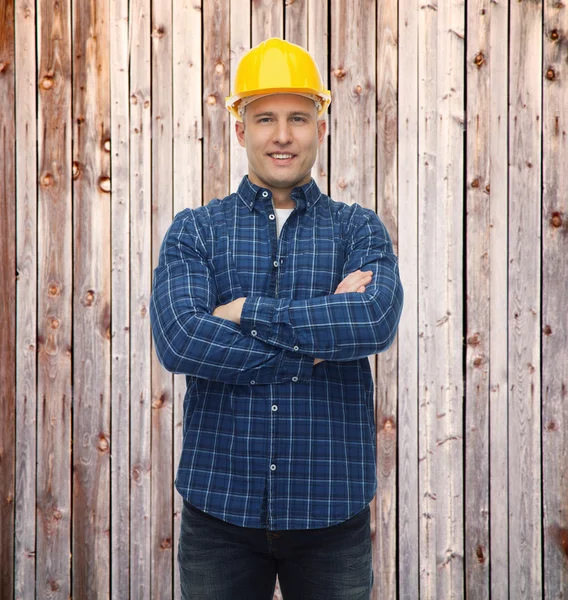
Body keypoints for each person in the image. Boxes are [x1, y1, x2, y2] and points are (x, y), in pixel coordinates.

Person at [150, 37, 403, 600]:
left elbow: (374, 321)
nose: (282, 135)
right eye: (265, 118)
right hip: (219, 514)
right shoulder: (196, 231)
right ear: (240, 129)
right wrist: (316, 342)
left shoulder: (358, 229)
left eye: (298, 118)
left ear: (321, 127)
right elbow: (181, 339)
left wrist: (243, 313)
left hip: (331, 513)